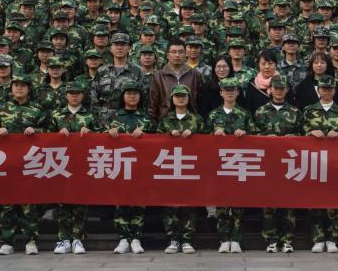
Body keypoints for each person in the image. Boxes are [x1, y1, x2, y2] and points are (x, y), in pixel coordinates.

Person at [0, 72, 46, 255]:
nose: (19, 88)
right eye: (16, 85)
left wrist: (36, 129)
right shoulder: (1, 108)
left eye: (23, 86)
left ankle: (30, 240)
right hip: (6, 163)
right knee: (7, 204)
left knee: (28, 204)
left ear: (28, 89)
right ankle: (7, 241)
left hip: (30, 163)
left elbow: (49, 130)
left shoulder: (37, 109)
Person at [300, 76, 338, 253]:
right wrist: (310, 131)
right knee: (315, 202)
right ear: (318, 90)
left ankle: (332, 239)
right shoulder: (308, 110)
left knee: (335, 202)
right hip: (314, 162)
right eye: (323, 89)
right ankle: (318, 238)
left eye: (330, 89)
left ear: (334, 91)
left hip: (336, 163)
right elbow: (300, 128)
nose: (326, 92)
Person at [253, 74, 301, 253]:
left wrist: (295, 137)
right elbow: (253, 134)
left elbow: (303, 133)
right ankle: (271, 239)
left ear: (287, 90)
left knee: (289, 203)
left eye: (282, 88)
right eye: (276, 88)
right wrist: (265, 138)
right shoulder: (260, 111)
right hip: (268, 163)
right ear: (270, 90)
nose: (279, 91)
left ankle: (287, 239)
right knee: (268, 202)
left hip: (290, 164)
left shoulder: (295, 111)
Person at [107, 79, 155, 254]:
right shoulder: (114, 117)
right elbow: (100, 139)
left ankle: (135, 238)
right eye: (128, 93)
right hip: (119, 167)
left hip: (140, 168)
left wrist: (146, 133)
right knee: (120, 203)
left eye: (135, 93)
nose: (132, 96)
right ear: (123, 96)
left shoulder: (146, 118)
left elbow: (158, 140)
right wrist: (108, 132)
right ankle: (123, 238)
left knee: (138, 203)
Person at [208, 78, 255, 253]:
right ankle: (223, 239)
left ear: (238, 93)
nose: (229, 93)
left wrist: (245, 133)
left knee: (238, 204)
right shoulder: (213, 114)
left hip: (239, 164)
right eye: (226, 90)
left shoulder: (245, 114)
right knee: (221, 204)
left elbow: (255, 134)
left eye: (233, 90)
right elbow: (202, 138)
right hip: (219, 164)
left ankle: (236, 239)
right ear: (221, 92)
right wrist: (214, 133)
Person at [51, 78, 98, 255]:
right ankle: (63, 239)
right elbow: (44, 137)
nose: (74, 96)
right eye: (71, 94)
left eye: (77, 94)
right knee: (62, 204)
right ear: (66, 95)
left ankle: (78, 238)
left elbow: (101, 137)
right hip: (60, 165)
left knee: (80, 204)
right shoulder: (56, 115)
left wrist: (91, 133)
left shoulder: (90, 116)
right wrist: (56, 134)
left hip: (83, 165)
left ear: (82, 96)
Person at [157, 84, 204, 254]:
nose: (181, 99)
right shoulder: (166, 119)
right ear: (172, 99)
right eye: (177, 96)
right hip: (170, 168)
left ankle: (187, 240)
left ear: (189, 98)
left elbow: (208, 140)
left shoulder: (197, 119)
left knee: (189, 205)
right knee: (170, 205)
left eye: (183, 96)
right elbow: (155, 141)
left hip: (190, 168)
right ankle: (173, 239)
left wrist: (194, 135)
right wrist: (168, 135)